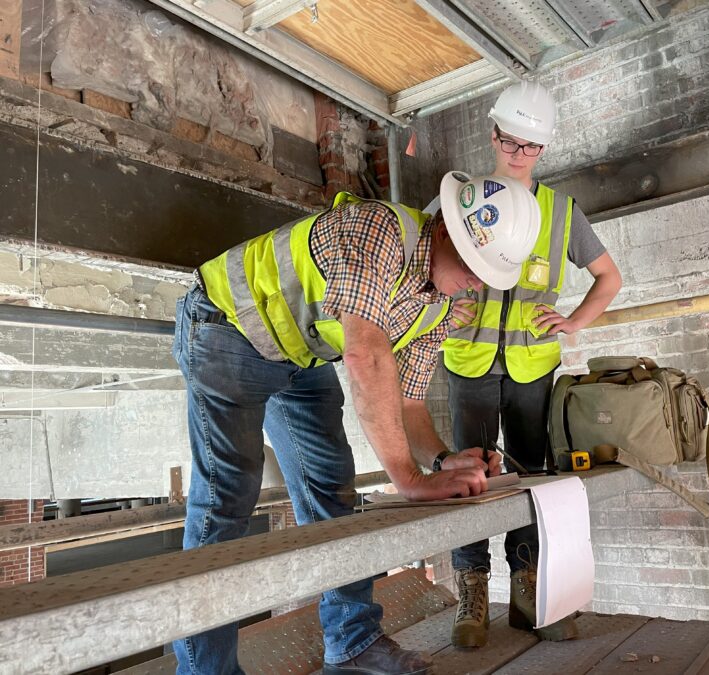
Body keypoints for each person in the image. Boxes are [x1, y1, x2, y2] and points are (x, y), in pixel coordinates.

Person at [170, 171, 541, 675]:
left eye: (488, 274)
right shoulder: (376, 231)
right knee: (227, 499)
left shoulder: (443, 300)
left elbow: (408, 403)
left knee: (331, 491)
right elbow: (365, 355)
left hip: (299, 352)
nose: (477, 281)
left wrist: (439, 459)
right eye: (474, 265)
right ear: (447, 231)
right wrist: (408, 479)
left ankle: (352, 643)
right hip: (227, 326)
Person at [439, 82, 623, 648]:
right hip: (467, 360)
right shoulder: (458, 201)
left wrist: (573, 323)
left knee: (529, 478)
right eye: (509, 140)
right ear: (492, 134)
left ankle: (527, 593)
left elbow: (609, 278)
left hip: (530, 370)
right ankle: (471, 598)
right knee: (467, 479)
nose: (517, 153)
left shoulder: (563, 213)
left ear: (543, 150)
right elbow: (416, 269)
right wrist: (443, 305)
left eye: (530, 146)